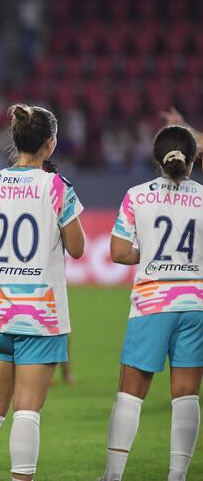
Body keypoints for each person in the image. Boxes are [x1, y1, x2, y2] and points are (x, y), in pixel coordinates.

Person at [0, 104, 85, 481]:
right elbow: (79, 248)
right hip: (41, 314)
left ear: (14, 140)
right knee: (27, 410)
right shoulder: (57, 188)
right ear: (50, 144)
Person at [99, 125, 203, 481]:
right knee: (187, 396)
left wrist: (153, 257)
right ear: (193, 159)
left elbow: (117, 251)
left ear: (156, 159)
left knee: (130, 394)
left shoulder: (137, 196)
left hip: (151, 303)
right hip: (195, 305)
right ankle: (178, 477)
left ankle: (113, 476)